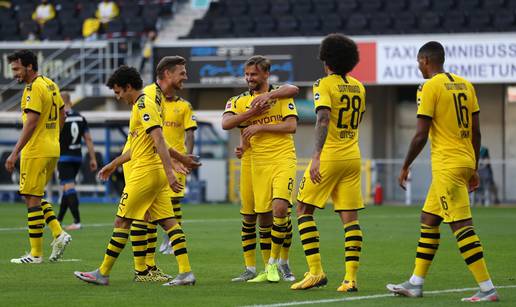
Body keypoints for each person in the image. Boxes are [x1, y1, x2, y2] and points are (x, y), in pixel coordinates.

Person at [386, 41, 499, 302]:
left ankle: (487, 288)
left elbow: (420, 135)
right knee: (429, 219)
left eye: (418, 62)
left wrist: (405, 165)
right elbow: (476, 131)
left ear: (425, 60)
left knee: (461, 225)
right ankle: (415, 283)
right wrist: (473, 167)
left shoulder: (429, 87)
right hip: (463, 161)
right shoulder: (465, 85)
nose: (418, 66)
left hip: (447, 166)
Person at [73, 65, 197, 286]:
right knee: (170, 223)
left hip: (145, 173)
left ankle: (103, 272)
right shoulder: (146, 104)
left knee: (122, 220)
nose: (118, 97)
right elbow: (142, 145)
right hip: (153, 171)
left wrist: (171, 171)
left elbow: (159, 139)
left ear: (128, 87)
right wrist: (113, 163)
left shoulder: (144, 103)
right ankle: (186, 272)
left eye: (118, 92)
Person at [291, 34, 366, 292]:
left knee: (303, 209)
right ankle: (350, 279)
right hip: (353, 155)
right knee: (350, 218)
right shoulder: (359, 86)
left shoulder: (323, 84)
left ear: (327, 60)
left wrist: (316, 156)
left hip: (330, 157)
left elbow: (323, 119)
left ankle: (315, 272)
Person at [222, 55, 298, 283]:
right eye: (246, 74)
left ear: (266, 74)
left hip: (282, 157)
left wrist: (261, 123)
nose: (249, 78)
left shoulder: (280, 95)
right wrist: (250, 116)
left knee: (280, 210)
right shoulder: (238, 100)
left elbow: (292, 124)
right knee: (253, 218)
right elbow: (226, 123)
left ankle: (279, 263)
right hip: (253, 162)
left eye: (253, 74)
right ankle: (256, 268)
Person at [5, 49, 71, 264]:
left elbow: (31, 122)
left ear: (29, 66)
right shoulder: (51, 84)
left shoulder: (32, 88)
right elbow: (63, 113)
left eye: (16, 69)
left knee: (30, 198)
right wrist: (54, 136)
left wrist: (14, 152)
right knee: (35, 195)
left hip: (35, 150)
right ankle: (58, 232)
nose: (14, 73)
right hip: (52, 148)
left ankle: (35, 254)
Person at [158, 91, 198, 255]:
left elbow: (190, 132)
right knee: (159, 201)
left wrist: (186, 157)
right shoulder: (156, 103)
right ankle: (167, 236)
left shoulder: (185, 106)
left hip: (177, 160)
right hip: (157, 158)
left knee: (174, 201)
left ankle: (174, 240)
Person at [56, 92, 98, 230]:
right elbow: (88, 139)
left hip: (64, 158)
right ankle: (58, 220)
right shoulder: (80, 118)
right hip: (77, 157)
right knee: (67, 189)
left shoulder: (60, 117)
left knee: (69, 188)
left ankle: (77, 221)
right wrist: (92, 158)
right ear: (71, 102)